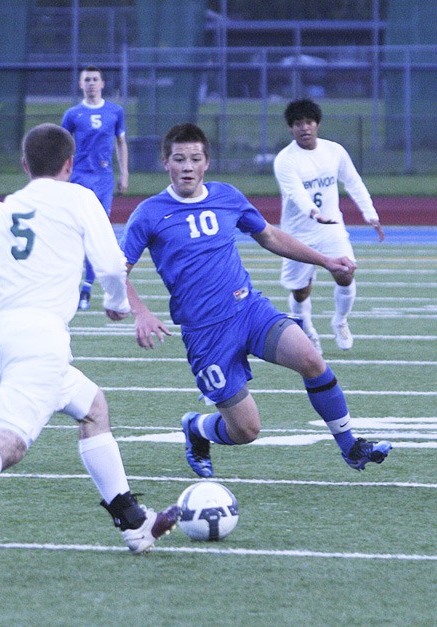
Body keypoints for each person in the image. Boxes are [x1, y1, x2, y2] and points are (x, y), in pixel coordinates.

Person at [0, 123, 178, 561]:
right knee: (11, 442)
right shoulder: (79, 197)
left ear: (24, 164)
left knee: (93, 406)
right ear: (70, 165)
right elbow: (110, 263)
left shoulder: (2, 210)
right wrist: (117, 304)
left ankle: (132, 521)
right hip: (39, 341)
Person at [120, 122, 392, 479]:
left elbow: (270, 236)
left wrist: (325, 262)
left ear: (206, 163)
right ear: (165, 163)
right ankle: (197, 427)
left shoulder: (228, 196)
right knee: (246, 431)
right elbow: (116, 270)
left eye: (195, 158)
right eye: (179, 159)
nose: (187, 166)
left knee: (311, 358)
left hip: (249, 310)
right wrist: (140, 312)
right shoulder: (150, 213)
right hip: (206, 333)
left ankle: (351, 447)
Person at [273, 98, 384, 354]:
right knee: (300, 292)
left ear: (317, 124)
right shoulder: (285, 160)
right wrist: (314, 212)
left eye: (308, 122)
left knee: (345, 272)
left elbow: (353, 182)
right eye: (298, 123)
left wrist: (371, 214)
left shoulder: (334, 151)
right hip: (297, 233)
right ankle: (308, 331)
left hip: (331, 228)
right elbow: (297, 194)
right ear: (291, 128)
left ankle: (340, 320)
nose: (304, 128)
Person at [61, 65, 129, 311]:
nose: (91, 83)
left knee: (96, 231)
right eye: (86, 79)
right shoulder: (72, 114)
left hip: (102, 180)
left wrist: (125, 173)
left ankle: (87, 287)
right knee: (74, 233)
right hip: (77, 177)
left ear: (102, 84)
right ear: (81, 85)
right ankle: (67, 284)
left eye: (95, 79)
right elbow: (62, 146)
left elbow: (121, 143)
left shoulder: (115, 112)